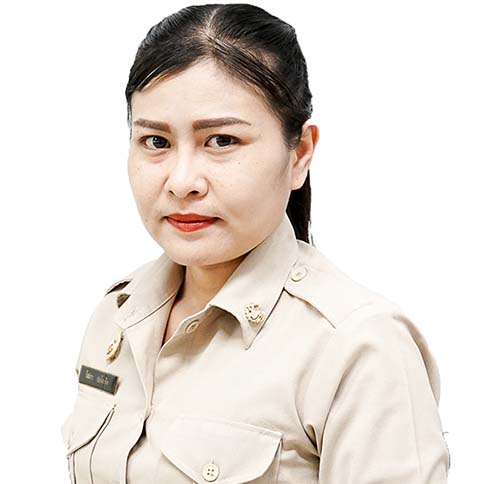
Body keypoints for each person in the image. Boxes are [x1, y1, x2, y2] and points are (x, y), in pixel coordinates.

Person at [60, 3, 450, 483]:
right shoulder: (117, 316)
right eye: (156, 142)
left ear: (299, 153)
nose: (182, 182)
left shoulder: (359, 348)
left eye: (222, 141)